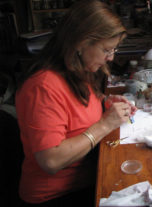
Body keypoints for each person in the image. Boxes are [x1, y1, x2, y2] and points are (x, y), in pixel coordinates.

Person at [15, 0, 137, 206]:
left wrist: (106, 101)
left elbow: (79, 101)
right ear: (81, 43)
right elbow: (51, 161)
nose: (110, 58)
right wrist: (105, 124)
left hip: (87, 176)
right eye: (107, 50)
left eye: (114, 50)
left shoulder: (76, 69)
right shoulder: (42, 87)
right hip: (55, 195)